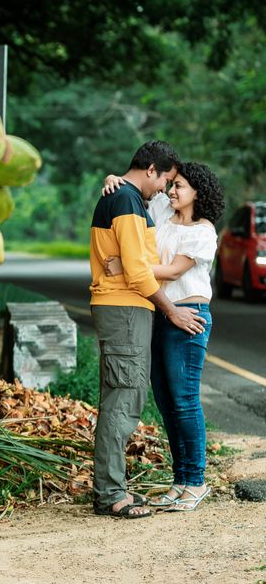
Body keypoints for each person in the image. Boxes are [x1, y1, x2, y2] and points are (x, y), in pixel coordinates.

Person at [88, 140, 206, 519]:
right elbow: (139, 271)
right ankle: (111, 494)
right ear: (151, 170)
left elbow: (140, 262)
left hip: (127, 308)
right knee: (123, 400)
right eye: (165, 180)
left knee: (125, 396)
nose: (165, 189)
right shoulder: (126, 200)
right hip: (122, 307)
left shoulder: (131, 199)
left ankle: (113, 489)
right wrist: (171, 312)